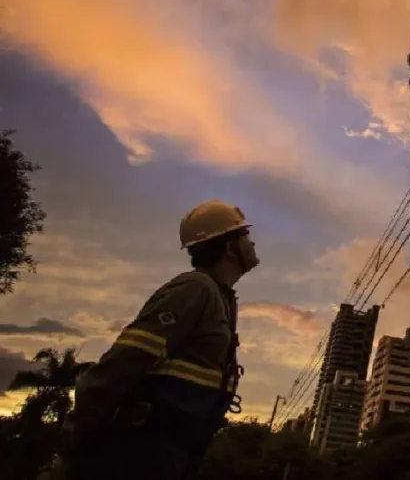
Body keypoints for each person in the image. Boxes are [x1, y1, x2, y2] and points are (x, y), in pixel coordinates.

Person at [55, 200, 260, 480]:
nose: (252, 242)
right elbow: (122, 363)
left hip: (171, 452)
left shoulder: (221, 298)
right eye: (245, 235)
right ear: (229, 248)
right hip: (139, 451)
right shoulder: (195, 289)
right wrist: (75, 437)